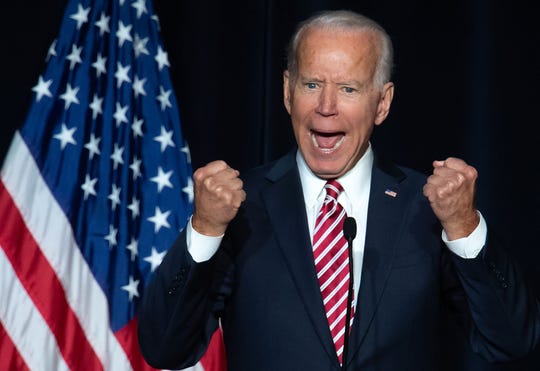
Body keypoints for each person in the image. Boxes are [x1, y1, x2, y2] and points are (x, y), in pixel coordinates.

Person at [137, 10, 540, 371]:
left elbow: (510, 341)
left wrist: (465, 226)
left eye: (348, 89)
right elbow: (164, 349)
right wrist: (205, 229)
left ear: (382, 103)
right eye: (312, 84)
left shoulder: (426, 207)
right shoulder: (242, 205)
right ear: (286, 91)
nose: (326, 106)